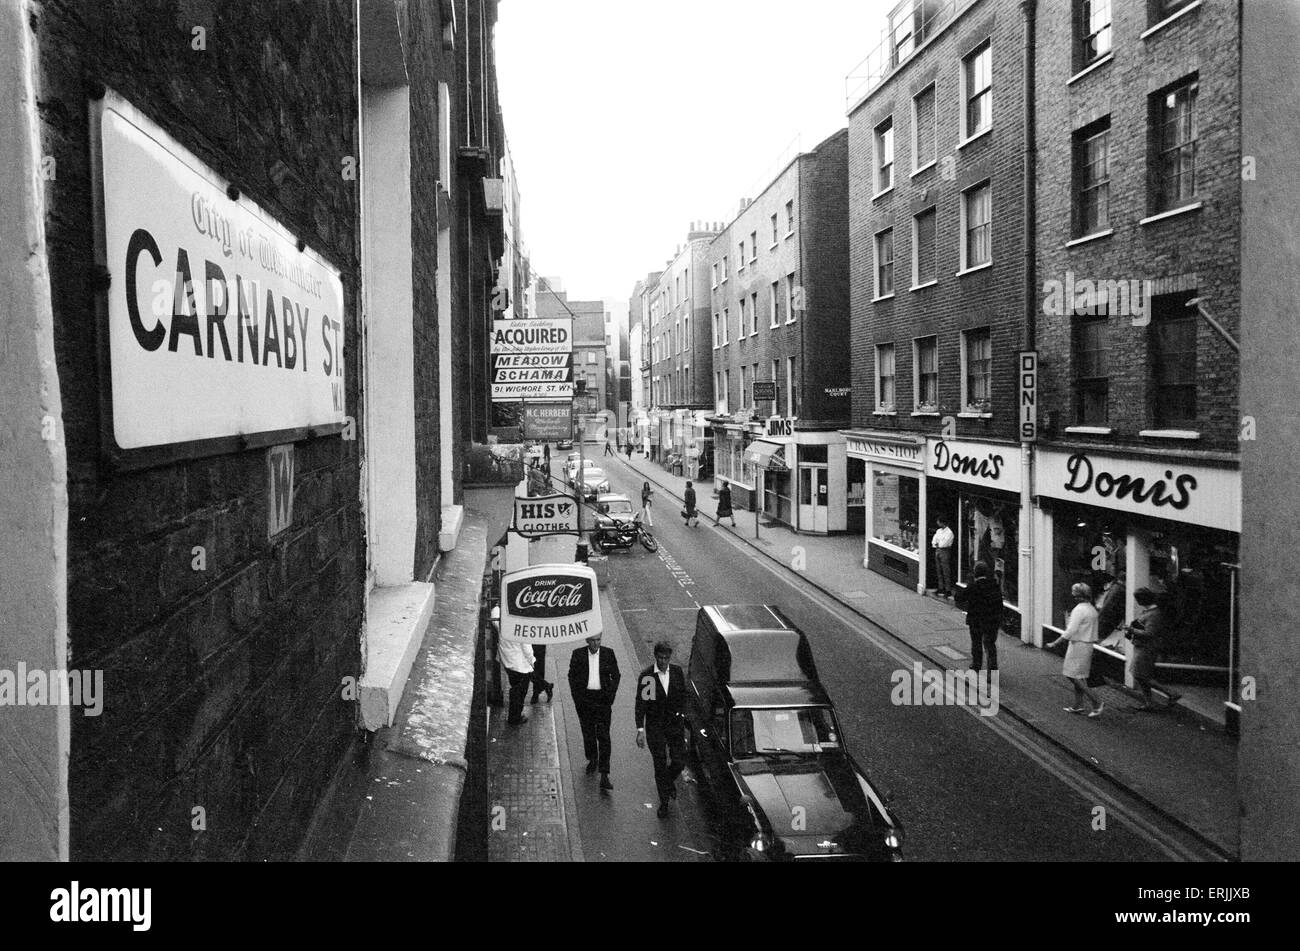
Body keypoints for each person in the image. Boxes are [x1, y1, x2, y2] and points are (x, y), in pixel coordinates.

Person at [635, 641, 689, 818]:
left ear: (670, 657)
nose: (663, 661)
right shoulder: (648, 677)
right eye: (660, 657)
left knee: (679, 762)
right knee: (659, 765)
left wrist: (683, 716)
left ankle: (667, 783)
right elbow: (641, 704)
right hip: (656, 727)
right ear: (655, 656)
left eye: (666, 658)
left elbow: (683, 696)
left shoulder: (676, 672)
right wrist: (640, 730)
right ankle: (664, 802)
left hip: (674, 726)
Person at [568, 634, 620, 790]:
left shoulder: (608, 653)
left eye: (598, 640)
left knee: (604, 736)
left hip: (602, 700)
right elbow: (572, 677)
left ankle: (605, 774)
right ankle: (592, 758)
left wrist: (610, 696)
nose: (596, 643)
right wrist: (578, 699)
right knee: (588, 732)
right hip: (585, 701)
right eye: (592, 640)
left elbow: (616, 675)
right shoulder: (578, 654)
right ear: (586, 640)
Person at [1047, 583, 1104, 717]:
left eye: (1074, 593)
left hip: (1078, 645)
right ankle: (1078, 705)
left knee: (1072, 675)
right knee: (1079, 676)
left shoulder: (1079, 610)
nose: (1072, 595)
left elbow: (1070, 630)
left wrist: (1055, 643)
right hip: (1087, 645)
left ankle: (1097, 702)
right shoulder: (1091, 609)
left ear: (1079, 595)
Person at [1127, 588, 1182, 711]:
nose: (1136, 601)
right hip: (1142, 646)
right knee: (1140, 675)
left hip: (1147, 648)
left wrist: (1132, 630)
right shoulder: (1150, 611)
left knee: (1140, 675)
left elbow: (1150, 633)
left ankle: (1170, 693)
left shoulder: (1154, 614)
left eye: (1137, 599)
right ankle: (1149, 702)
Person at [963, 562, 1003, 674]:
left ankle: (976, 666)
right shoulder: (994, 585)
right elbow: (1000, 603)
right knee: (990, 644)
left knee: (976, 643)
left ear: (975, 573)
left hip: (976, 620)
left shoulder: (973, 586)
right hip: (992, 620)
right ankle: (992, 669)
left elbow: (958, 597)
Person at [498, 632, 535, 726]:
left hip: (508, 660)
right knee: (520, 692)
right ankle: (515, 718)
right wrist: (532, 660)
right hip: (519, 664)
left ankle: (514, 716)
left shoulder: (503, 623)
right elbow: (526, 648)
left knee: (515, 687)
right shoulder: (522, 627)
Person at [1095, 572, 1127, 648]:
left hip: (1106, 619)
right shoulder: (1120, 590)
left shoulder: (1115, 588)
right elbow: (1108, 607)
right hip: (1109, 620)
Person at [931, 516, 955, 598]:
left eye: (938, 522)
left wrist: (938, 543)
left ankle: (948, 589)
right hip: (937, 551)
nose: (937, 523)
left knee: (945, 570)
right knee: (938, 570)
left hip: (945, 551)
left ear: (942, 522)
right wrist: (936, 544)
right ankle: (941, 587)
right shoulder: (938, 531)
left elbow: (944, 544)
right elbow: (934, 541)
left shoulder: (949, 532)